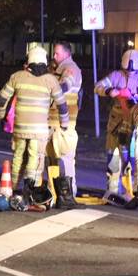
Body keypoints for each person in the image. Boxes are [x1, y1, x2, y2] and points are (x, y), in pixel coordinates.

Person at [0, 46, 69, 209]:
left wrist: (0, 116)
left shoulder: (17, 77)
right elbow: (62, 105)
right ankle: (28, 190)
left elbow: (2, 98)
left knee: (18, 156)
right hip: (39, 129)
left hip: (20, 127)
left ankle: (12, 189)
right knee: (34, 158)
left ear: (28, 60)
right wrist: (64, 124)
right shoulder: (51, 80)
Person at [95, 48, 138, 198]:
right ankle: (112, 190)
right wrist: (108, 91)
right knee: (112, 157)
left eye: (133, 72)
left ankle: (132, 191)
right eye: (127, 71)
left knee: (132, 159)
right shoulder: (116, 76)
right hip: (116, 124)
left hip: (135, 124)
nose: (130, 73)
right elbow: (98, 86)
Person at [46, 41, 82, 207]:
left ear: (67, 54)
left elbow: (65, 86)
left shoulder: (70, 69)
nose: (54, 56)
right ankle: (54, 192)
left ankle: (68, 194)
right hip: (53, 123)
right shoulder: (56, 70)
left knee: (65, 159)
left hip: (64, 125)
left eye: (57, 54)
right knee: (51, 159)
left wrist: (49, 88)